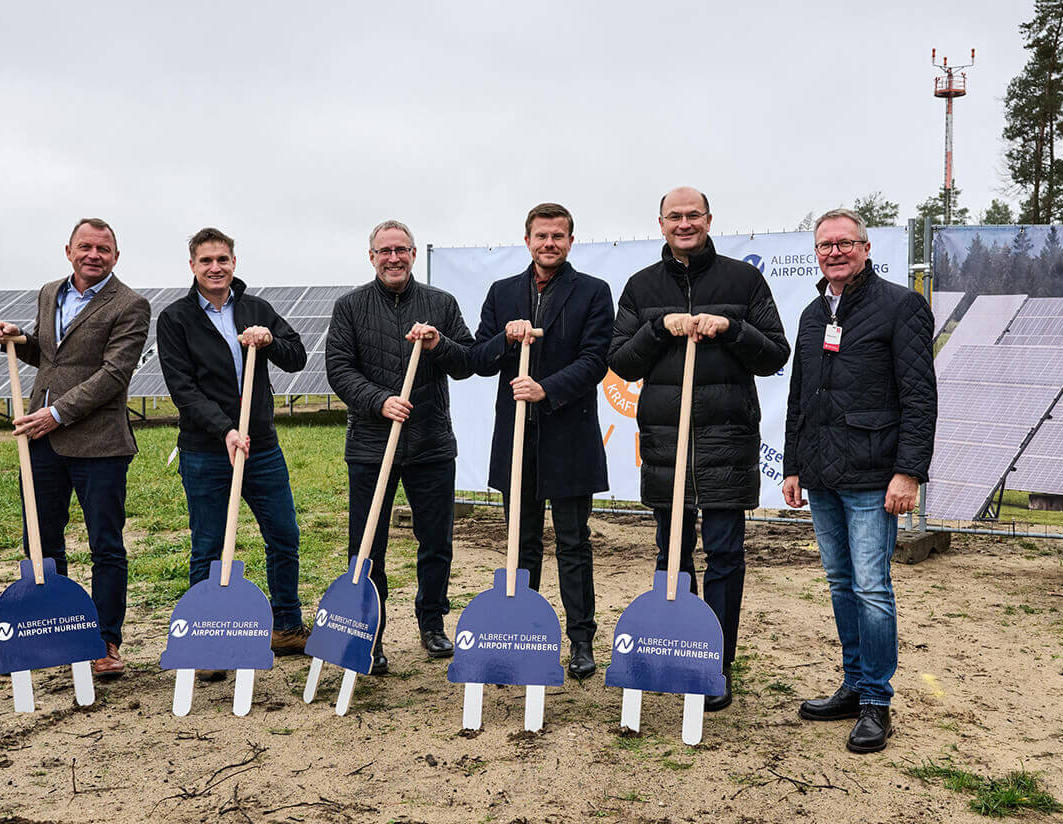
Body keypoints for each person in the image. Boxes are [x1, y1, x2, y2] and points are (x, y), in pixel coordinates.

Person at [607, 186, 791, 710]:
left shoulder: (743, 279)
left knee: (727, 555)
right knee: (672, 555)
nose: (684, 223)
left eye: (693, 215)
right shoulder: (642, 286)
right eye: (674, 216)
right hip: (668, 442)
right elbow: (621, 361)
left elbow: (775, 351)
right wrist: (658, 329)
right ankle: (676, 648)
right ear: (660, 223)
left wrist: (731, 328)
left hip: (727, 442)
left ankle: (716, 661)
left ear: (709, 219)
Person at [782, 208, 936, 754]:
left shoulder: (902, 306)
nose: (835, 252)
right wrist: (794, 466)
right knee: (842, 584)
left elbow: (919, 397)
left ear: (866, 249)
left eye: (846, 243)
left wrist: (909, 471)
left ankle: (876, 700)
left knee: (873, 588)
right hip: (822, 474)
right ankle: (852, 684)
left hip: (875, 476)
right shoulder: (810, 314)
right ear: (816, 253)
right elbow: (800, 395)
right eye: (826, 245)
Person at [0, 217, 151, 677]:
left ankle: (104, 643)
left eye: (103, 248)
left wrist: (56, 413)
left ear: (116, 256)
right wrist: (15, 338)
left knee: (105, 545)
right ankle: (52, 632)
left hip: (98, 442)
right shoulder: (49, 292)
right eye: (85, 247)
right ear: (68, 250)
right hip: (40, 440)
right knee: (40, 541)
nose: (93, 255)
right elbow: (50, 355)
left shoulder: (131, 305)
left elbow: (114, 374)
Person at [155, 227, 311, 678]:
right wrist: (224, 429)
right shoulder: (176, 319)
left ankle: (285, 625)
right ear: (192, 266)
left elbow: (297, 356)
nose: (215, 267)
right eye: (206, 260)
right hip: (206, 450)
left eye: (222, 258)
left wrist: (270, 340)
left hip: (261, 447)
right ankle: (207, 639)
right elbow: (182, 388)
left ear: (234, 263)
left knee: (284, 535)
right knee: (208, 545)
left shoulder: (256, 309)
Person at [469, 202, 613, 679]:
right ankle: (522, 632)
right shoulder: (502, 292)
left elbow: (596, 360)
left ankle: (581, 641)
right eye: (540, 236)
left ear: (571, 241)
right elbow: (478, 358)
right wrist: (506, 341)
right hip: (516, 440)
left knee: (573, 542)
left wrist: (546, 389)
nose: (549, 243)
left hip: (569, 436)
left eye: (558, 236)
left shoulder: (593, 292)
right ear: (527, 240)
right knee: (520, 541)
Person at [324, 219, 474, 674]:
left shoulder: (440, 304)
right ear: (371, 257)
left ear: (412, 253)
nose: (394, 258)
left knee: (436, 541)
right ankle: (370, 631)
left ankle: (432, 622)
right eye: (385, 250)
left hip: (431, 443)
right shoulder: (349, 307)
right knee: (368, 544)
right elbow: (339, 369)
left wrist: (438, 344)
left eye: (402, 249)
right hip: (371, 445)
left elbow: (467, 361)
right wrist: (380, 401)